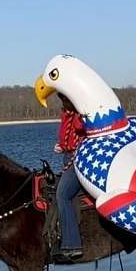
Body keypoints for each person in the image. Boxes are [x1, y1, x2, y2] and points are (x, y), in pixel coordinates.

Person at [53, 94, 86, 261]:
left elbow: (81, 129)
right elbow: (67, 136)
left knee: (63, 195)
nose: (64, 103)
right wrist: (62, 146)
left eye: (66, 100)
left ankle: (72, 244)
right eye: (63, 100)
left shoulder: (81, 114)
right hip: (68, 157)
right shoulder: (65, 114)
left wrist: (80, 111)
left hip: (80, 159)